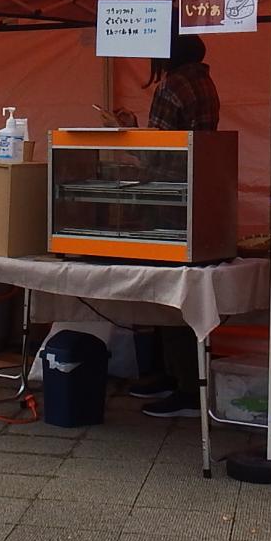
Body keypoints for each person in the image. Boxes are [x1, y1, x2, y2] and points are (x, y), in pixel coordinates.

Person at [113, 35, 221, 420]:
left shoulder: (171, 86)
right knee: (183, 290)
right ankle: (174, 377)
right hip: (198, 196)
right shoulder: (205, 82)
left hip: (169, 199)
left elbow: (159, 150)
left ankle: (185, 387)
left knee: (170, 294)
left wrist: (129, 130)